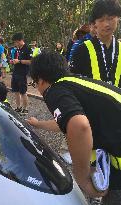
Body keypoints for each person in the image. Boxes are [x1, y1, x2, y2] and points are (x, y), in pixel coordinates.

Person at [28, 51, 121, 204]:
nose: (37, 88)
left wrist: (82, 178)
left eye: (34, 84)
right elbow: (68, 122)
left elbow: (79, 125)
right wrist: (38, 124)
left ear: (41, 80)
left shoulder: (55, 90)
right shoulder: (75, 82)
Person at [71, 0, 121, 87]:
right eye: (101, 20)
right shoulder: (81, 50)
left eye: (110, 18)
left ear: (118, 19)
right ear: (94, 24)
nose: (106, 24)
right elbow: (73, 86)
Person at [10, 33, 31, 114]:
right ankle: (18, 107)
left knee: (23, 92)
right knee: (16, 91)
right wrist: (13, 61)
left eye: (15, 42)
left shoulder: (27, 49)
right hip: (15, 72)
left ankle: (25, 109)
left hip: (22, 74)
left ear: (20, 41)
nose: (15, 44)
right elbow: (16, 59)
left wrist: (19, 61)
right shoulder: (17, 49)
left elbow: (31, 61)